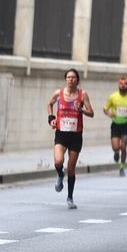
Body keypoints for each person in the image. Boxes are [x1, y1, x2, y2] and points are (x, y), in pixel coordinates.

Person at [47, 68, 94, 210]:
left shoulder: (82, 94)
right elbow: (49, 104)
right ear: (65, 79)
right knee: (58, 161)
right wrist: (51, 119)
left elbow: (91, 113)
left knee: (71, 168)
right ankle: (60, 175)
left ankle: (70, 197)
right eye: (68, 77)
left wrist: (82, 110)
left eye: (73, 77)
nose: (71, 79)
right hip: (61, 133)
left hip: (75, 135)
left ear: (77, 80)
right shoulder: (58, 93)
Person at [103, 76, 127, 176]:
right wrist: (108, 113)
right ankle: (116, 152)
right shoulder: (113, 97)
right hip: (115, 124)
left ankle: (122, 167)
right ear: (118, 85)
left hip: (126, 125)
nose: (123, 86)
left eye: (125, 84)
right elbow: (105, 108)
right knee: (116, 147)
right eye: (121, 84)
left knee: (123, 147)